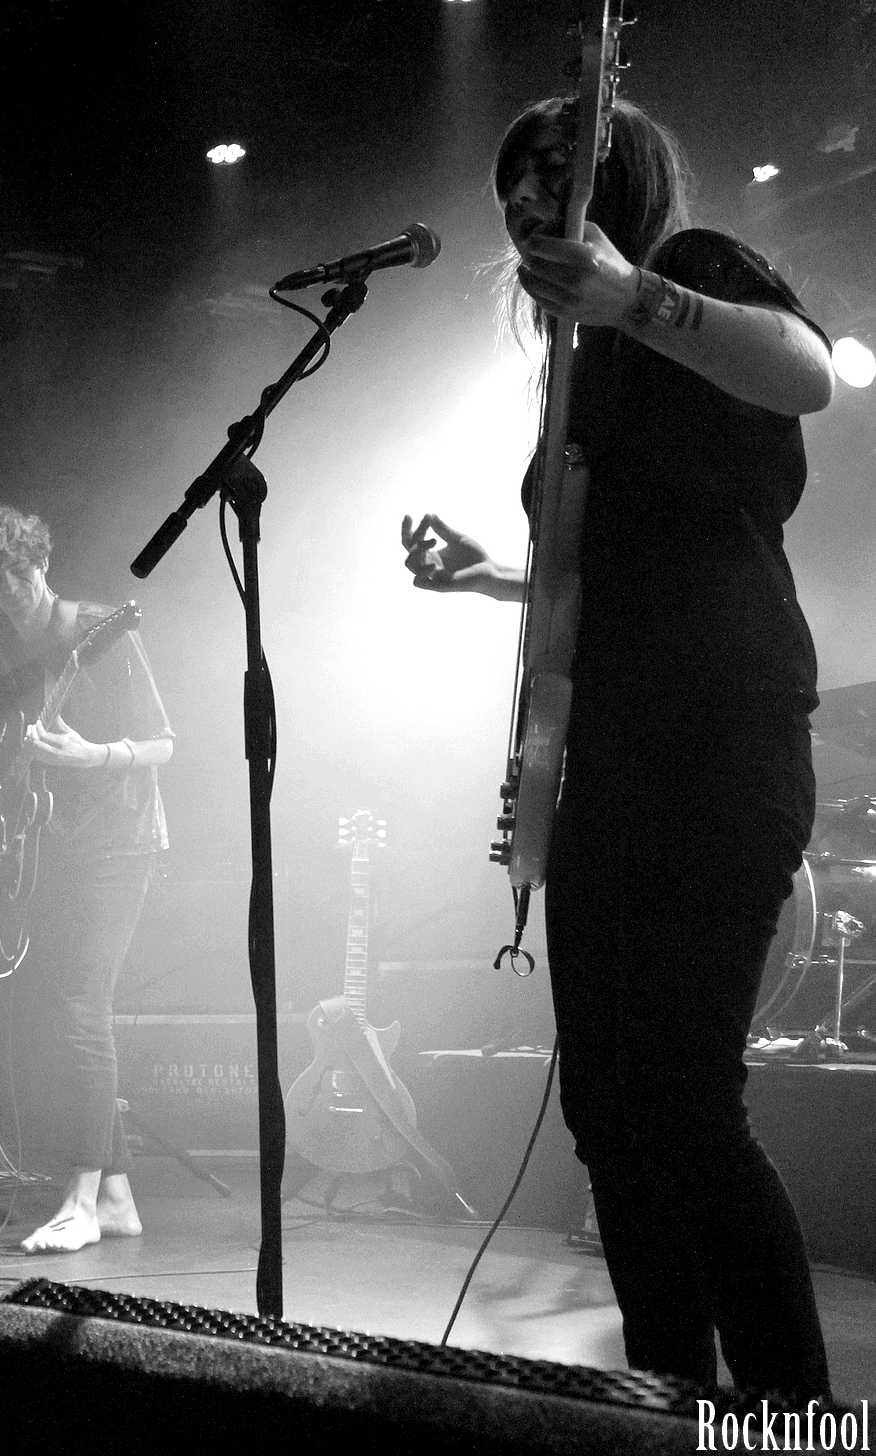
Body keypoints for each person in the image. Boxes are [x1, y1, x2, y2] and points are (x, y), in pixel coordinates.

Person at [399, 96, 835, 1397]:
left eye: (552, 173)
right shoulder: (579, 370)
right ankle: (663, 1406)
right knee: (606, 1108)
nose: (528, 204)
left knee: (686, 1103)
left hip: (722, 742)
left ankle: (794, 1421)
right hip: (610, 763)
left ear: (619, 175)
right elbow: (609, 569)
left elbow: (806, 371)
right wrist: (491, 576)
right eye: (513, 192)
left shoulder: (687, 270)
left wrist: (636, 295)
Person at [0, 505, 174, 1255]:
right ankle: (118, 1198)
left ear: (41, 561)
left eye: (18, 572)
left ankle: (80, 1200)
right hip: (46, 842)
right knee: (57, 1010)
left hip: (119, 838)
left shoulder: (100, 629)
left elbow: (162, 742)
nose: (8, 590)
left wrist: (91, 755)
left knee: (82, 1007)